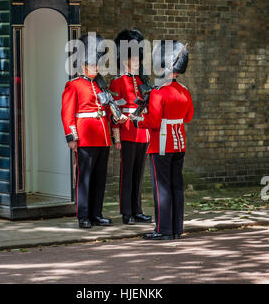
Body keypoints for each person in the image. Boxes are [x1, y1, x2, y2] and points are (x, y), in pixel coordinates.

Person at [61, 33, 126, 229]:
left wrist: (116, 122)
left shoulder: (100, 86)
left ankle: (97, 214)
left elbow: (107, 110)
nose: (96, 68)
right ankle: (83, 216)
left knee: (99, 179)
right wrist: (72, 137)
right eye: (92, 65)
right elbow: (67, 113)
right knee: (85, 179)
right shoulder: (73, 85)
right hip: (86, 138)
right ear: (83, 66)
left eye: (97, 65)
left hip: (103, 138)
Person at [132, 40, 194, 240]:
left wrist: (137, 121)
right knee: (176, 185)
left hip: (161, 144)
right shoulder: (184, 91)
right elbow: (188, 117)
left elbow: (153, 120)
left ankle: (163, 230)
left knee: (162, 187)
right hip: (179, 143)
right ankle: (176, 228)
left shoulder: (159, 92)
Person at [110, 29, 152, 225]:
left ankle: (138, 209)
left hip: (142, 131)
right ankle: (126, 212)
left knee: (138, 174)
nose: (135, 61)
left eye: (137, 58)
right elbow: (114, 112)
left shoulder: (143, 82)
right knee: (127, 174)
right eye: (131, 58)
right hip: (127, 131)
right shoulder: (117, 82)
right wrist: (116, 137)